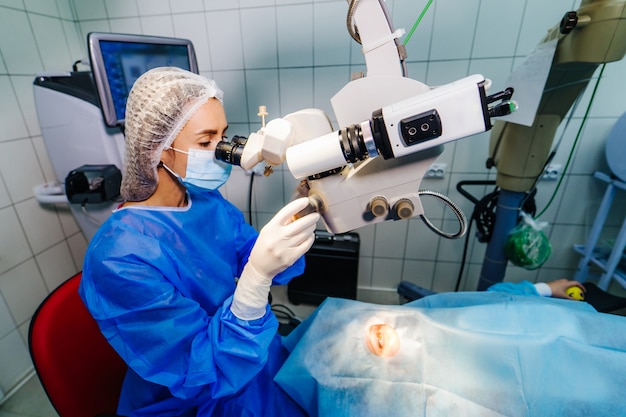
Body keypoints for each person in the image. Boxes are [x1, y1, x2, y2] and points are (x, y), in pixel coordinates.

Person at [79, 67, 319, 417]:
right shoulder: (118, 257)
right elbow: (200, 369)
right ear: (158, 148)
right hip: (192, 393)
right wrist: (254, 280)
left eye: (222, 135)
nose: (222, 150)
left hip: (243, 355)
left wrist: (299, 216)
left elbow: (260, 257)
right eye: (205, 141)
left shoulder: (206, 203)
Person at [275, 280, 626, 417]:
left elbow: (482, 305)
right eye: (377, 344)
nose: (399, 331)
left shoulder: (422, 323)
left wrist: (542, 290)